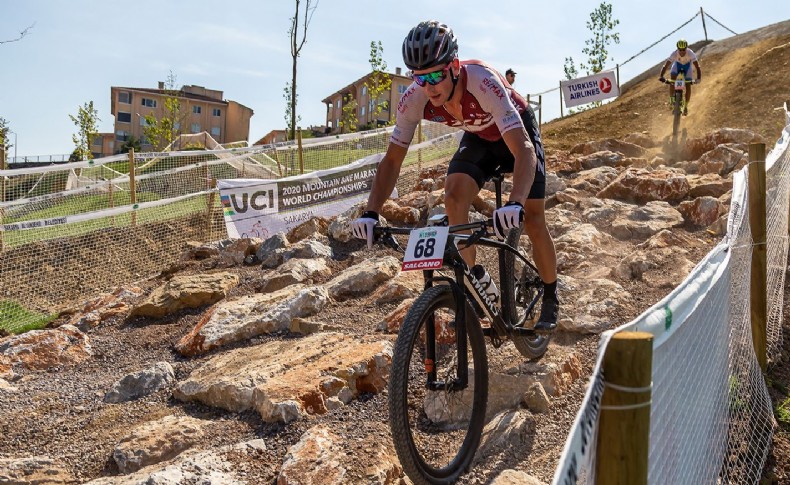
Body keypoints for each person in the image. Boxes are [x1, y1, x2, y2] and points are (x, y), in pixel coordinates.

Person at [351, 20, 559, 332]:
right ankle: (477, 280)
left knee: (532, 217)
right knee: (453, 194)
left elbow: (524, 152)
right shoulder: (414, 99)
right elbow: (393, 161)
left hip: (517, 134)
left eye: (436, 74)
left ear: (455, 66)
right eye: (420, 78)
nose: (429, 85)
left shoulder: (482, 81)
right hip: (478, 136)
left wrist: (515, 202)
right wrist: (371, 212)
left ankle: (551, 293)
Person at [658, 38, 702, 116]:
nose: (682, 51)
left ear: (686, 48)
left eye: (683, 49)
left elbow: (697, 67)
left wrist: (698, 78)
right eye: (680, 50)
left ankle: (685, 106)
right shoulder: (674, 53)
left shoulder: (691, 53)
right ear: (677, 49)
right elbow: (666, 65)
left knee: (688, 86)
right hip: (677, 66)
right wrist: (661, 76)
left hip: (687, 68)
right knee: (672, 81)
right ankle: (672, 99)